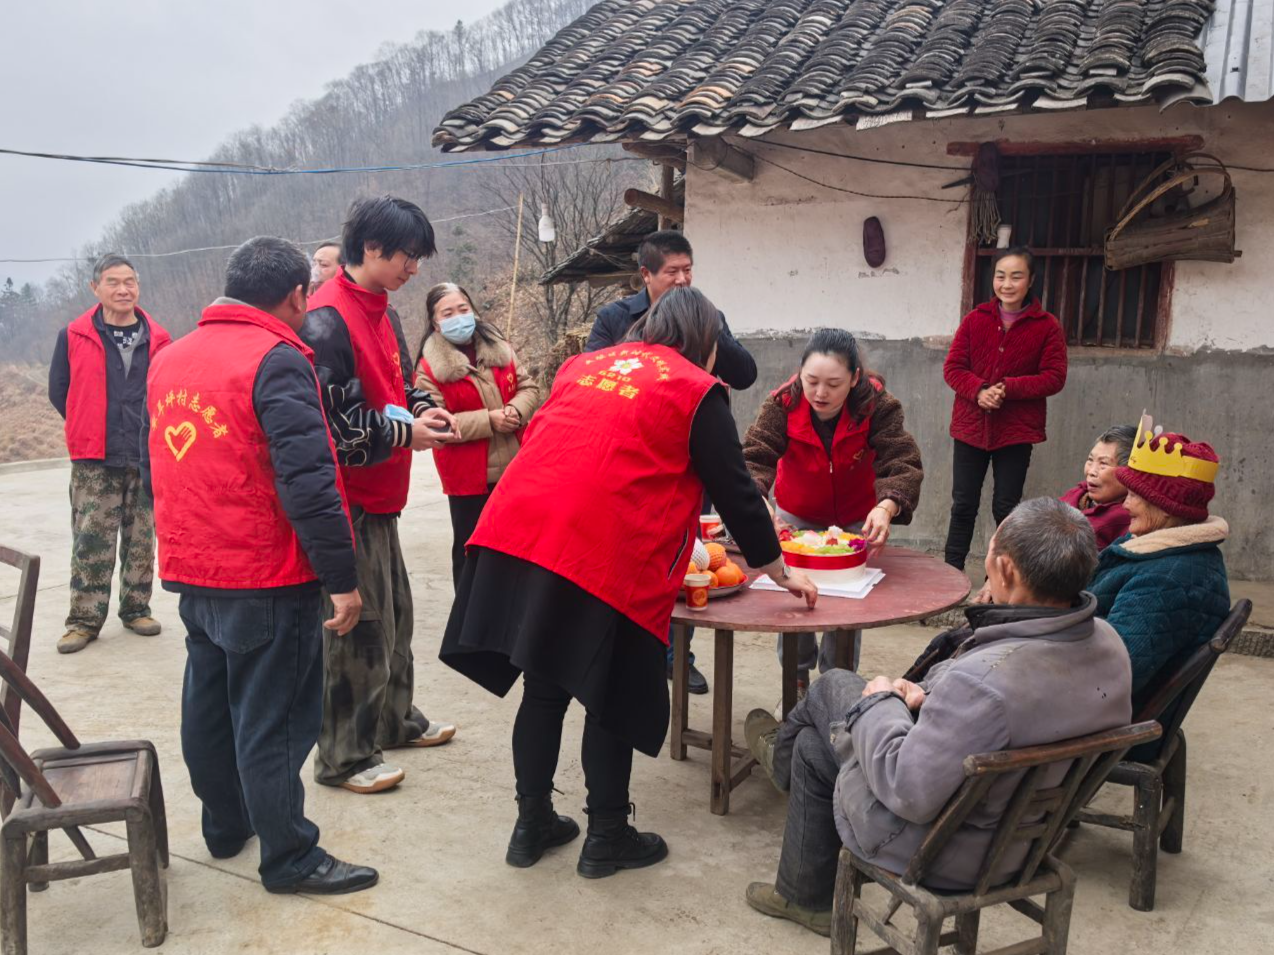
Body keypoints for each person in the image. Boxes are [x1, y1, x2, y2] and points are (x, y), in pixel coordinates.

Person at [441, 287, 817, 878]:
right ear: (704, 341)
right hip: (601, 550)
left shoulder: (583, 365)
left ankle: (531, 824)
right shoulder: (695, 388)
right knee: (608, 696)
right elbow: (734, 487)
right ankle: (608, 836)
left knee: (544, 688)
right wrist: (778, 568)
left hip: (521, 532)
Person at [742, 497, 1132, 936]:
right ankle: (802, 895)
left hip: (943, 848)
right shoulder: (1110, 644)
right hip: (1029, 837)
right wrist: (929, 695)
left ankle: (777, 759)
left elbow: (907, 789)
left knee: (834, 684)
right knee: (814, 748)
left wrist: (881, 700)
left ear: (1006, 570)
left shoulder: (983, 682)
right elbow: (1010, 703)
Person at [141, 236, 377, 894]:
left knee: (210, 705)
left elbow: (153, 466)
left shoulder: (170, 357)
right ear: (297, 296)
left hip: (195, 567)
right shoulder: (276, 359)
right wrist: (341, 579)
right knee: (273, 720)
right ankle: (290, 856)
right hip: (264, 572)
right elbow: (310, 482)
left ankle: (226, 825)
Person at [301, 196, 460, 795]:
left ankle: (394, 721)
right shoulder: (326, 319)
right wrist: (404, 434)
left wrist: (423, 410)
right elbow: (334, 428)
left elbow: (395, 387)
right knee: (359, 629)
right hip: (350, 501)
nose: (413, 269)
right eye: (406, 256)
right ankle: (343, 756)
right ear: (370, 248)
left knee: (397, 618)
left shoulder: (382, 312)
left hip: (383, 493)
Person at [586, 229, 758, 694]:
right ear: (646, 275)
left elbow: (744, 373)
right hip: (636, 462)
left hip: (689, 461)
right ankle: (632, 652)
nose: (682, 280)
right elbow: (598, 375)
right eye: (672, 272)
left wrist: (710, 330)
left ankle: (677, 655)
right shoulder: (615, 317)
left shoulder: (708, 316)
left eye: (688, 271)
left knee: (691, 561)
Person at [743, 328, 922, 688]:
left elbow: (902, 460)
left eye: (833, 384)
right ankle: (795, 683)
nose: (820, 393)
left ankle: (837, 684)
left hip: (856, 518)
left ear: (855, 378)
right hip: (796, 517)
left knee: (847, 603)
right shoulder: (782, 403)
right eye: (811, 381)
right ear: (801, 374)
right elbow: (752, 459)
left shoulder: (877, 405)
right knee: (795, 597)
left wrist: (887, 506)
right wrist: (758, 501)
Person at [48, 253, 171, 654]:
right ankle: (84, 620)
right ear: (95, 287)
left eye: (129, 282)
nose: (123, 289)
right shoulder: (73, 335)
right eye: (113, 282)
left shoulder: (159, 338)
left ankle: (136, 609)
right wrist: (87, 422)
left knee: (142, 540)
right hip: (94, 457)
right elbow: (59, 390)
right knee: (91, 541)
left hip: (144, 454)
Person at [942, 247, 1067, 571]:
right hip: (970, 427)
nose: (1007, 284)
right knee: (963, 505)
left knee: (1006, 507)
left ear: (1031, 280)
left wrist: (1009, 388)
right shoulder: (975, 320)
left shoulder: (1047, 326)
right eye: (1000, 276)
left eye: (1016, 276)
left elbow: (1054, 377)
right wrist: (979, 391)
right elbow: (953, 368)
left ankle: (999, 579)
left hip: (1015, 431)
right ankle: (951, 573)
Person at [1089, 415, 1230, 704]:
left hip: (1101, 715)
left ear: (1165, 506)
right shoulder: (1150, 544)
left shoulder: (1166, 582)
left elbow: (1111, 676)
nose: (1125, 504)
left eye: (1134, 495)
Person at [413, 282, 542, 587]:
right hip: (468, 477)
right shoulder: (429, 369)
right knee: (471, 552)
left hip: (514, 468)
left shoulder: (499, 347)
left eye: (463, 309)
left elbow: (528, 386)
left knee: (516, 549)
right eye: (448, 313)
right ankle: (468, 611)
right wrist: (488, 420)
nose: (458, 317)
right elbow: (437, 424)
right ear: (435, 322)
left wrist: (515, 410)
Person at [973, 424, 1136, 603]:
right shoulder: (1078, 494)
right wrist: (994, 580)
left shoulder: (1126, 520)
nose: (1091, 471)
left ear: (1129, 473)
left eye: (1103, 464)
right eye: (1090, 460)